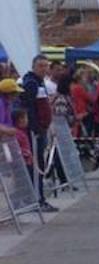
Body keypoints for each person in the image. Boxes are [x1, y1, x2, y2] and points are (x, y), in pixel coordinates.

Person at [20, 55, 57, 210]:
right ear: (34, 66)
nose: (44, 69)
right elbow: (29, 108)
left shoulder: (38, 82)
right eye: (41, 66)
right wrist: (36, 129)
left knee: (39, 164)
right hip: (35, 132)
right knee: (37, 165)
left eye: (45, 66)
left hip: (40, 130)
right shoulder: (31, 83)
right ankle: (37, 200)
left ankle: (38, 198)